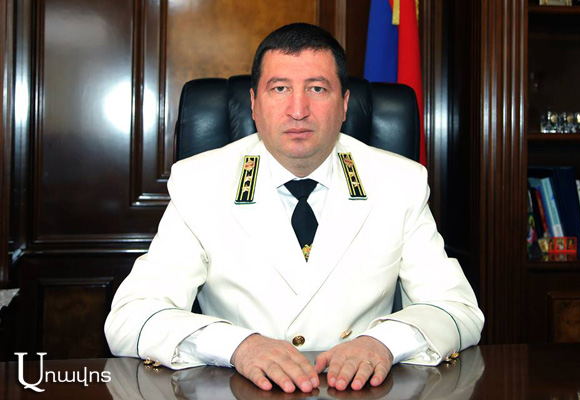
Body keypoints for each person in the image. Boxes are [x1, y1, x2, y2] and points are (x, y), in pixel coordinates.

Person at [105, 22, 484, 394]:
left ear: (344, 104)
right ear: (254, 104)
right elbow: (130, 318)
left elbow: (458, 310)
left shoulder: (399, 183)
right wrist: (238, 346)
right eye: (280, 88)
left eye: (317, 88)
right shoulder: (201, 183)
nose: (298, 110)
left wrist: (383, 343)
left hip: (358, 391)